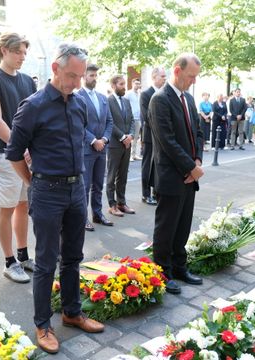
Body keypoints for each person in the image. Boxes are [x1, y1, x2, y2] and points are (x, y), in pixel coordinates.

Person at [6, 43, 104, 355]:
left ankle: (72, 313)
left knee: (73, 257)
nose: (76, 82)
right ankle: (42, 325)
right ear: (55, 69)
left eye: (80, 76)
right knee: (46, 262)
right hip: (47, 192)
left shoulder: (78, 103)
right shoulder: (32, 106)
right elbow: (13, 154)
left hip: (77, 190)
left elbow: (79, 141)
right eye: (72, 75)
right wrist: (33, 183)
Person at [0, 32, 37, 283]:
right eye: (18, 52)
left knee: (23, 206)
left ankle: (23, 255)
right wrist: (20, 147)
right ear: (4, 50)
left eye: (25, 52)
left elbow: (36, 117)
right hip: (4, 154)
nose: (22, 57)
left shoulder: (27, 80)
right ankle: (9, 261)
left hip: (27, 153)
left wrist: (32, 148)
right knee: (7, 207)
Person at [149, 53, 204, 295]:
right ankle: (163, 271)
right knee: (167, 226)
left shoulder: (189, 99)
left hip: (189, 174)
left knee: (183, 224)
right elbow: (167, 141)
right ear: (177, 70)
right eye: (191, 76)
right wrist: (191, 168)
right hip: (171, 175)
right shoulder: (160, 99)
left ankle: (180, 266)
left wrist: (198, 160)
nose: (193, 81)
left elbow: (198, 132)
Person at [78, 64, 113, 231]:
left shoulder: (102, 98)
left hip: (102, 148)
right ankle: (82, 218)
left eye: (96, 75)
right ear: (84, 76)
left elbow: (109, 121)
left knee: (99, 184)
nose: (94, 78)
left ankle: (98, 214)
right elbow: (78, 124)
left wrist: (104, 139)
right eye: (91, 75)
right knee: (84, 186)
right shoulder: (78, 97)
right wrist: (94, 140)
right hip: (87, 148)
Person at [106, 75, 136, 217]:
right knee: (112, 176)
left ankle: (121, 203)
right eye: (121, 84)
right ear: (113, 86)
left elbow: (131, 120)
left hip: (127, 144)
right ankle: (112, 205)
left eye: (125, 84)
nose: (124, 86)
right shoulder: (108, 101)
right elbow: (109, 122)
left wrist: (130, 135)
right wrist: (122, 137)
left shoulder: (126, 101)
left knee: (123, 175)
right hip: (114, 144)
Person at [140, 67, 166, 206]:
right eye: (162, 76)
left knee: (158, 165)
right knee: (147, 165)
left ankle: (157, 191)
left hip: (161, 137)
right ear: (154, 77)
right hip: (150, 136)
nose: (164, 78)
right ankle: (145, 194)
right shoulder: (146, 94)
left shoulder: (165, 93)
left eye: (165, 76)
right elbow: (146, 116)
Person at [125, 78, 142, 161]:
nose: (137, 85)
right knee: (131, 137)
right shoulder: (128, 93)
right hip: (132, 118)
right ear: (132, 84)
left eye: (139, 83)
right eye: (136, 83)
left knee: (136, 138)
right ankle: (130, 156)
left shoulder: (139, 94)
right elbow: (124, 103)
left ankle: (134, 154)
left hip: (139, 118)